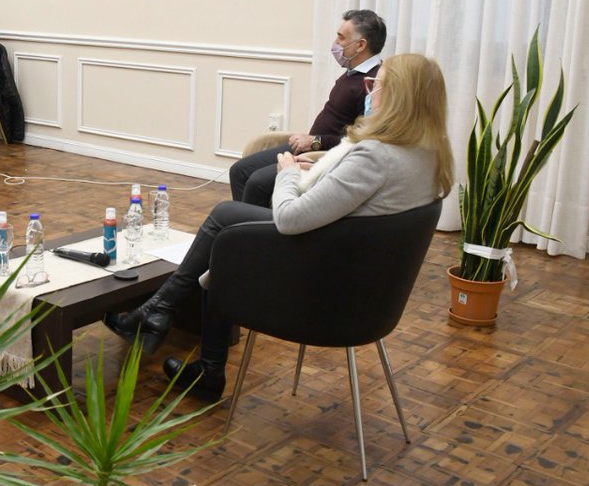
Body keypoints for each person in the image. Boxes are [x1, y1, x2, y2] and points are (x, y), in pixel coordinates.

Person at [105, 53, 453, 399]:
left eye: (374, 85)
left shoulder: (376, 156)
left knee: (227, 229)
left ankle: (164, 319)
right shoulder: (427, 154)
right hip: (364, 285)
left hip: (324, 288)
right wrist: (319, 171)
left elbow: (289, 219)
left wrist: (288, 172)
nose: (368, 92)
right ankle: (166, 321)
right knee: (229, 235)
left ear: (395, 96)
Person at [229, 9, 385, 207]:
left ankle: (259, 233)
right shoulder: (352, 74)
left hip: (321, 153)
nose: (336, 44)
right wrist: (309, 140)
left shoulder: (372, 84)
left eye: (341, 38)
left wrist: (315, 141)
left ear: (360, 45)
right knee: (239, 171)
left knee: (257, 183)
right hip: (307, 146)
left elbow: (360, 140)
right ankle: (240, 229)